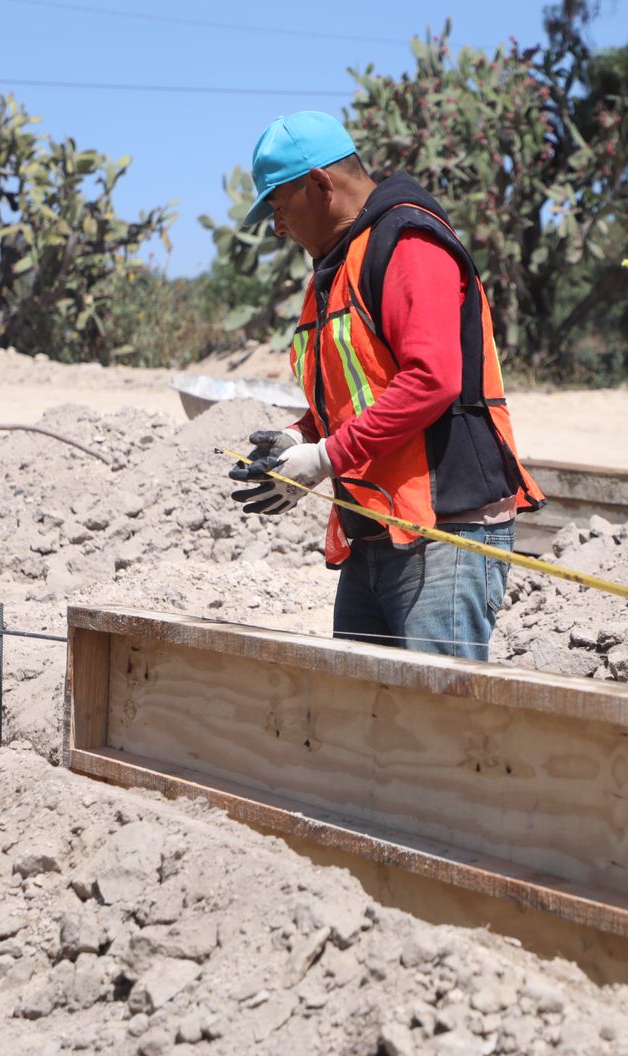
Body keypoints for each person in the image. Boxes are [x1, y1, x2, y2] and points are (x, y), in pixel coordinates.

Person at [228, 112, 545, 661]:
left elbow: (431, 380)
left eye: (280, 208)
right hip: (378, 529)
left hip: (446, 535)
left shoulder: (406, 241)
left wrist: (327, 456)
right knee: (365, 727)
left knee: (435, 727)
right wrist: (300, 438)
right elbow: (363, 390)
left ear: (321, 184)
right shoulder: (340, 263)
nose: (278, 227)